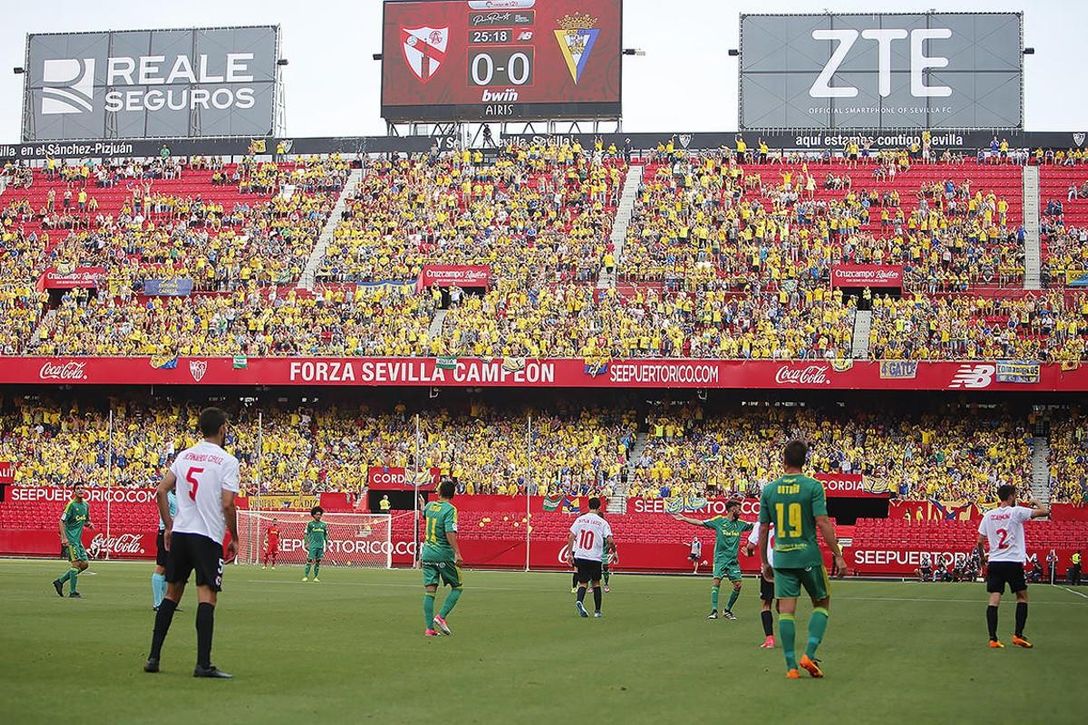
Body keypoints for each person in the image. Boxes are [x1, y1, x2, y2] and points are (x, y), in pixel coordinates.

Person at [145, 407, 240, 678]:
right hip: (207, 537)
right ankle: (203, 664)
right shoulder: (227, 461)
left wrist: (168, 526)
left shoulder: (184, 455)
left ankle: (153, 657)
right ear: (221, 429)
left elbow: (161, 490)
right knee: (207, 596)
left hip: (182, 534)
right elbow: (227, 504)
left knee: (171, 594)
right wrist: (234, 536)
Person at [758, 440, 847, 679]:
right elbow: (823, 522)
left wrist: (765, 562)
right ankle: (808, 654)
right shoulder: (813, 487)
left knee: (786, 611)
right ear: (804, 461)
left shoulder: (770, 489)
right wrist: (838, 555)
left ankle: (791, 668)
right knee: (822, 602)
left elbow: (764, 528)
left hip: (782, 558)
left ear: (784, 461)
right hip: (807, 556)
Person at [976, 485, 1049, 648]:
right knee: (1022, 597)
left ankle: (993, 639)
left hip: (995, 561)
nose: (1015, 498)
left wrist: (982, 559)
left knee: (994, 598)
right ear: (1010, 496)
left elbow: (979, 541)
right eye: (1014, 495)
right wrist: (1036, 501)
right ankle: (1017, 635)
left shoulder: (989, 515)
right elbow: (1045, 512)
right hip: (1013, 561)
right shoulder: (1016, 512)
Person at [673, 500, 753, 620]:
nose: (741, 512)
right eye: (739, 509)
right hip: (720, 559)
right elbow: (700, 522)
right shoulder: (719, 521)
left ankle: (727, 610)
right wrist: (684, 518)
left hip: (733, 561)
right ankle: (714, 610)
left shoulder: (741, 524)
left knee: (738, 585)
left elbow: (758, 525)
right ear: (732, 509)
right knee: (716, 582)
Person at [421, 481, 464, 636]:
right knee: (458, 586)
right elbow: (449, 532)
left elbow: (424, 515)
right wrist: (457, 553)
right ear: (453, 494)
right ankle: (441, 616)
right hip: (442, 554)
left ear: (439, 492)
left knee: (430, 591)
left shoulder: (429, 506)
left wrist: (422, 506)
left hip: (427, 553)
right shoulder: (450, 509)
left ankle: (429, 629)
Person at [566, 497, 614, 618]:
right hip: (594, 557)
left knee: (583, 583)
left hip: (580, 555)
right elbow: (610, 540)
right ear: (599, 508)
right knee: (596, 583)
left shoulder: (580, 519)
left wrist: (570, 553)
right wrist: (614, 551)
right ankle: (597, 611)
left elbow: (571, 536)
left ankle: (579, 601)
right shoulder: (602, 522)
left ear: (588, 506)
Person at [52, 485, 94, 598]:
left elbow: (85, 520)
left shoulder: (86, 505)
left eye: (82, 488)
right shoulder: (71, 505)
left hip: (78, 541)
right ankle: (72, 592)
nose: (80, 490)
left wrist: (89, 524)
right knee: (76, 564)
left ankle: (60, 581)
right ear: (74, 491)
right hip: (71, 540)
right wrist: (64, 538)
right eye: (78, 488)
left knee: (84, 564)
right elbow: (61, 521)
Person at [746, 519, 776, 648]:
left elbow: (750, 546)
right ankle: (788, 638)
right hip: (786, 567)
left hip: (769, 568)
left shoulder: (760, 524)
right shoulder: (785, 521)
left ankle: (769, 639)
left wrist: (750, 554)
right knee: (785, 604)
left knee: (766, 604)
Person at [152, 488, 178, 609]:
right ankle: (158, 603)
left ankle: (167, 602)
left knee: (170, 568)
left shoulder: (179, 496)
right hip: (166, 533)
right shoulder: (167, 496)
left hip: (176, 533)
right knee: (161, 567)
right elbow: (166, 515)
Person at [303, 507, 329, 582]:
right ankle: (306, 576)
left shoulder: (324, 525)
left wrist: (327, 544)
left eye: (320, 515)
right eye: (317, 514)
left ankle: (315, 577)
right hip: (313, 546)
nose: (319, 516)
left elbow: (326, 535)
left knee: (318, 561)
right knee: (309, 560)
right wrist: (306, 543)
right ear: (313, 515)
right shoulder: (310, 524)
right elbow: (306, 534)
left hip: (320, 546)